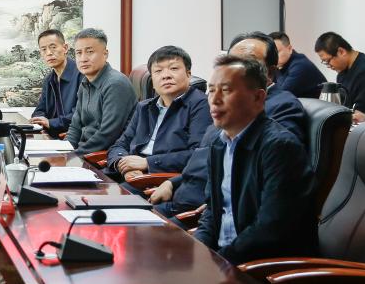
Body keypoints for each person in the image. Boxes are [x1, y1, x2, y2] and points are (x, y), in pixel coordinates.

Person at [149, 31, 307, 217]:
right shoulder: (224, 106)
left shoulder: (283, 106)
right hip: (180, 198)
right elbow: (205, 159)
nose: (233, 70)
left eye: (246, 63)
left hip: (205, 210)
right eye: (231, 62)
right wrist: (173, 182)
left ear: (270, 72)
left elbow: (269, 170)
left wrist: (220, 208)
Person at [194, 55, 316, 264]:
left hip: (263, 268)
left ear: (259, 98)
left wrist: (219, 262)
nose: (214, 100)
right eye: (211, 90)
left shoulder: (280, 147)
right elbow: (213, 210)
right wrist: (197, 249)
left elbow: (271, 228)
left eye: (226, 90)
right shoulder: (218, 143)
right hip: (225, 259)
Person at [106, 45, 210, 181]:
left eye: (174, 68)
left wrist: (148, 163)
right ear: (152, 81)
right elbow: (119, 145)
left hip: (164, 179)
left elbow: (199, 155)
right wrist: (124, 165)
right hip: (130, 173)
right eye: (158, 71)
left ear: (188, 74)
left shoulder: (202, 105)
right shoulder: (144, 107)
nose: (166, 76)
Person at [65, 28, 137, 152]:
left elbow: (107, 136)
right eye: (78, 53)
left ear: (105, 54)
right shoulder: (85, 83)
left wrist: (72, 156)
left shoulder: (116, 84)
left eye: (90, 52)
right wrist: (62, 150)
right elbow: (75, 127)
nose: (83, 58)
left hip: (103, 155)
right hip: (84, 151)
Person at [314, 31, 365, 124]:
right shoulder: (342, 72)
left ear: (341, 51)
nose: (328, 66)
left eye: (328, 61)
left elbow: (361, 112)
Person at [30, 29, 82, 137]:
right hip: (53, 136)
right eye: (44, 49)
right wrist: (41, 122)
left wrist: (51, 123)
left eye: (53, 47)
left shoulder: (81, 75)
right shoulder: (49, 80)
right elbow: (39, 110)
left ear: (65, 48)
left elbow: (81, 114)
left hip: (76, 137)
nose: (49, 53)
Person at [269, 31, 325, 99]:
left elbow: (280, 96)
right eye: (271, 53)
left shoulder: (300, 66)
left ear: (289, 49)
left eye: (277, 52)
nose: (273, 57)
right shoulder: (279, 65)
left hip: (320, 105)